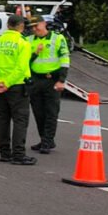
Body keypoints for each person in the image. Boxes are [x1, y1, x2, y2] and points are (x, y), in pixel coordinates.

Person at [0, 14, 35, 165]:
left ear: (8, 25)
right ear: (21, 26)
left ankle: (4, 153)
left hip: (0, 87)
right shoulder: (23, 43)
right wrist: (8, 83)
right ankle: (18, 154)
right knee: (20, 120)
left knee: (3, 120)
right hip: (17, 86)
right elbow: (21, 68)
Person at [26, 15, 69, 154]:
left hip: (52, 79)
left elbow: (64, 59)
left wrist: (62, 80)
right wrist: (35, 53)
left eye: (36, 25)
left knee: (51, 112)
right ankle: (45, 139)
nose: (34, 29)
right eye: (31, 27)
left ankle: (47, 141)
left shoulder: (57, 38)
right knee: (38, 112)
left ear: (44, 24)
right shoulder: (29, 40)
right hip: (36, 80)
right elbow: (24, 61)